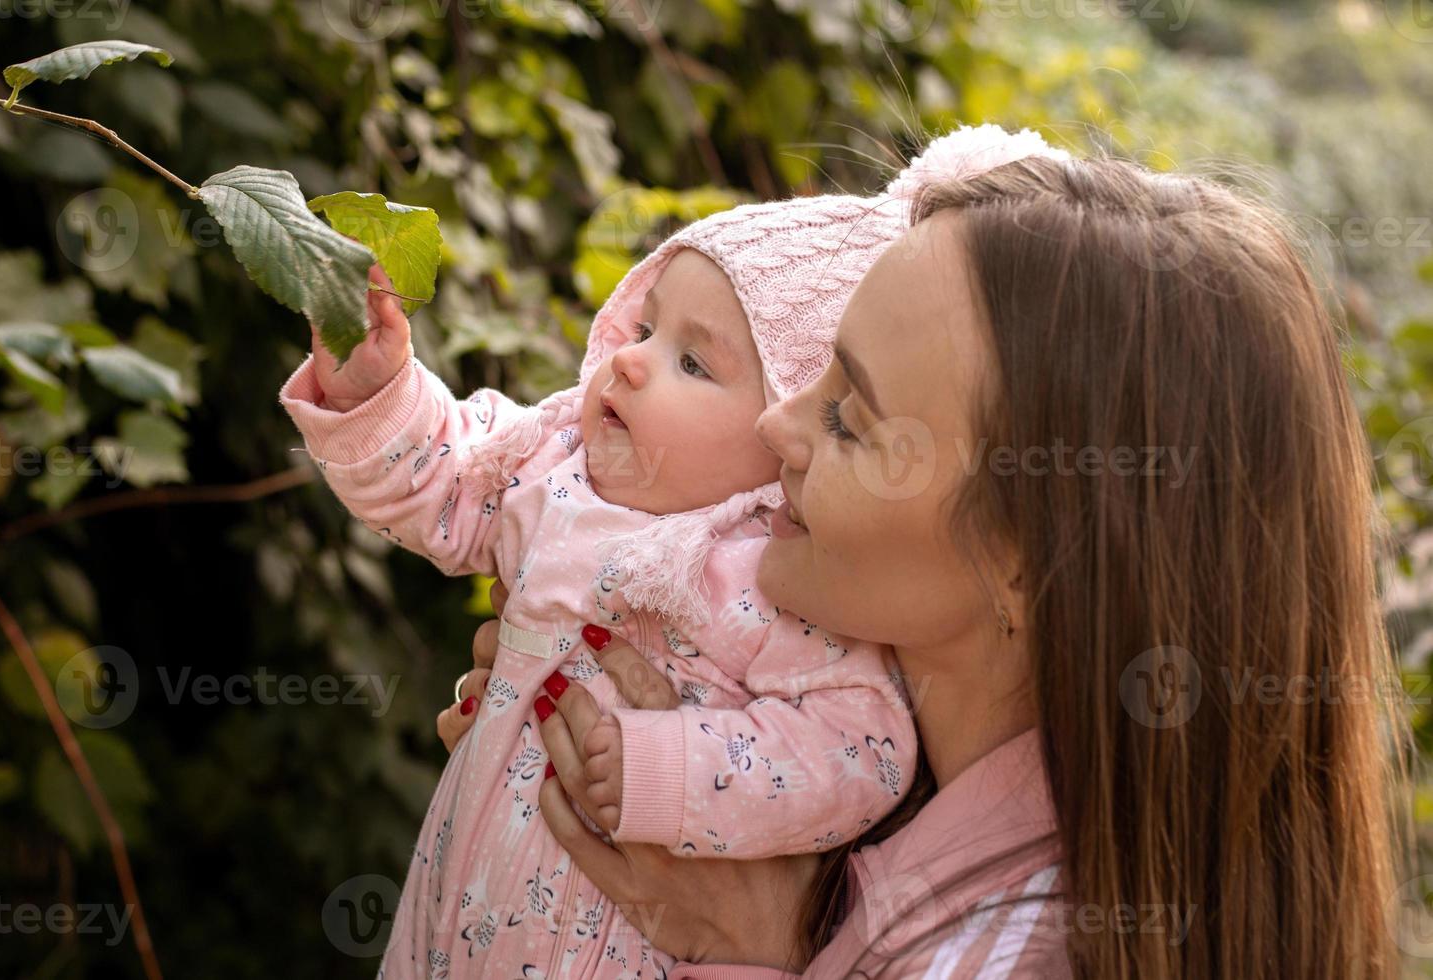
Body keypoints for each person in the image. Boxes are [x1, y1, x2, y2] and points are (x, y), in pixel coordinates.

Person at [445, 152, 1407, 978]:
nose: (777, 426)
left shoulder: (1002, 953)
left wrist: (756, 943)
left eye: (851, 420)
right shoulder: (852, 782)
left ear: (1025, 559)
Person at [280, 126, 1065, 979]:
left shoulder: (752, 580)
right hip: (456, 909)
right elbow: (449, 481)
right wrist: (378, 392)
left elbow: (857, 746)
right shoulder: (557, 470)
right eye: (645, 327)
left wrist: (659, 771)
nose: (630, 360)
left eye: (848, 416)